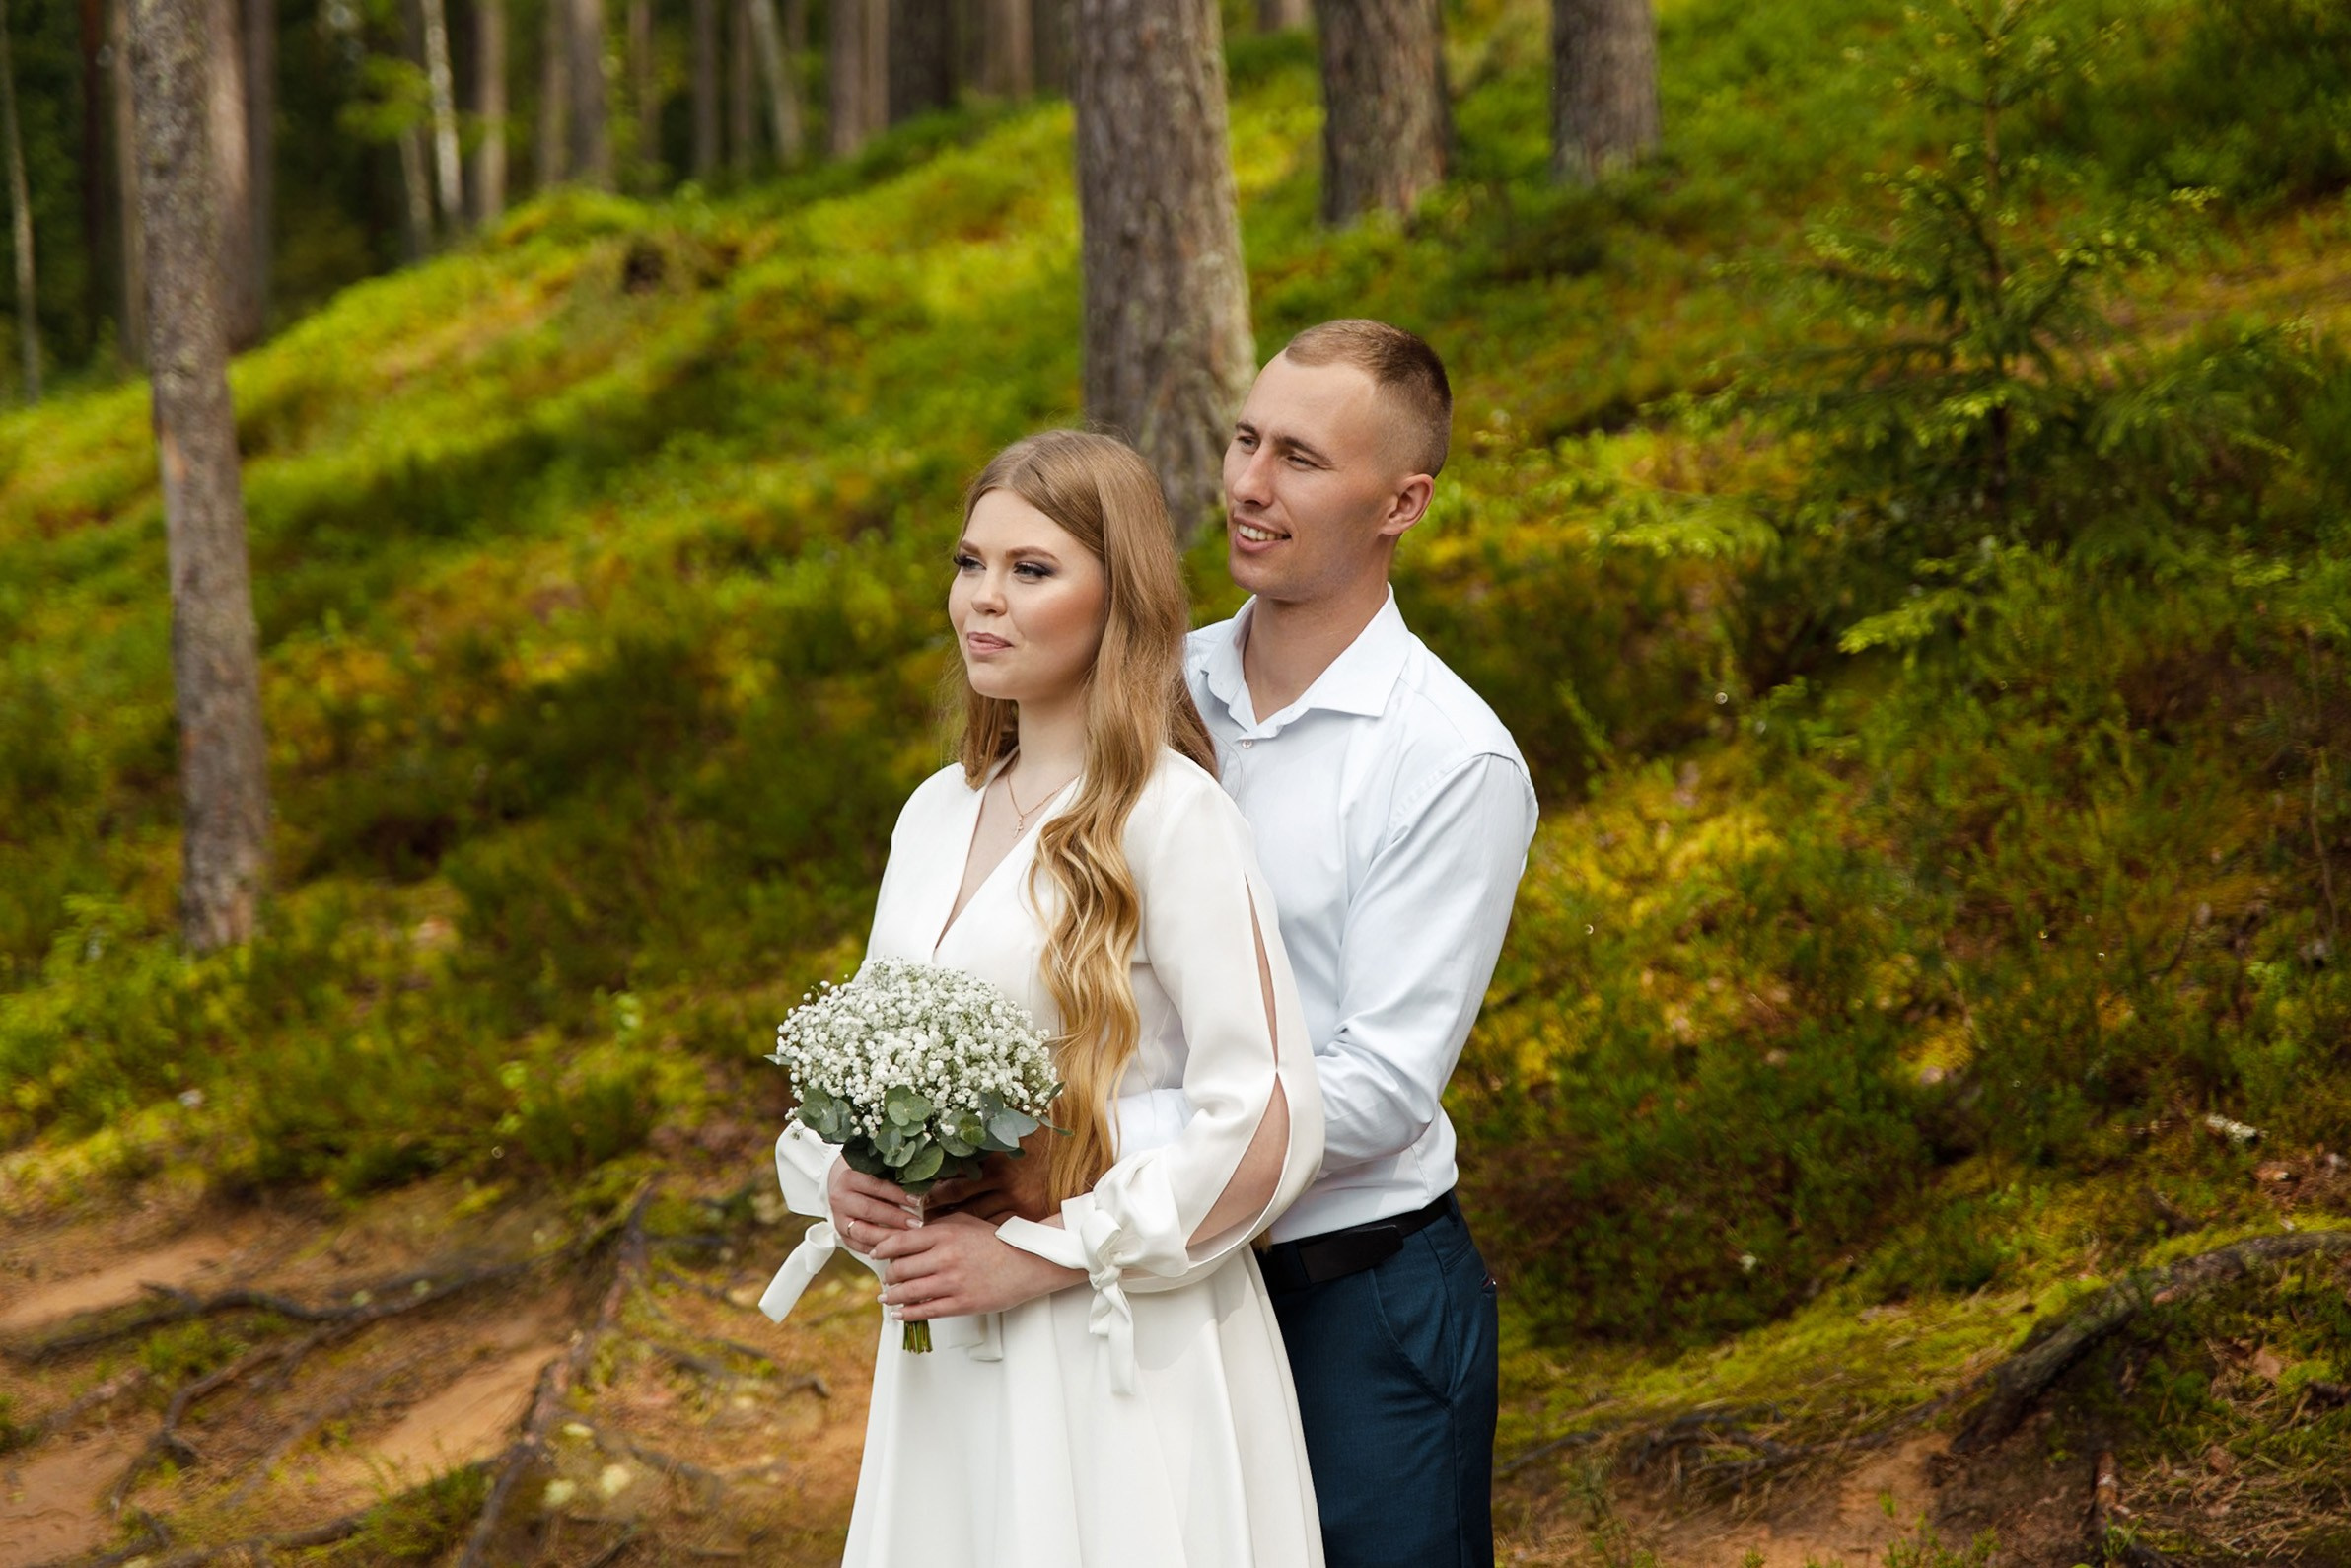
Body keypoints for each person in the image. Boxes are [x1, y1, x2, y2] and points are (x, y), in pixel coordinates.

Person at [762, 429, 1329, 1567]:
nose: (983, 600)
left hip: (1115, 1342)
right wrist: (841, 1181)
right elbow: (867, 1059)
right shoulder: (933, 813)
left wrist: (1045, 1254)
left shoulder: (1172, 819)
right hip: (946, 1355)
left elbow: (1266, 1120)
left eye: (1031, 571)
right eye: (971, 563)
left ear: (1116, 600)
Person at [1192, 320, 1535, 1568]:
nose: (1247, 483)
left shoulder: (1448, 759)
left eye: (1298, 458)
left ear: (1403, 502)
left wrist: (1126, 1175)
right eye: (1242, 439)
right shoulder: (1149, 699)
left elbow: (1384, 1086)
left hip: (1355, 1299)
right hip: (1161, 1290)